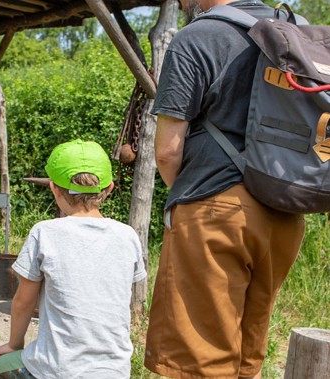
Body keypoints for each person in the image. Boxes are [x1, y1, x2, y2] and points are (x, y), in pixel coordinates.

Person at [144, 1, 306, 378]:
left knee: (200, 360)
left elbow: (167, 152)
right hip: (287, 210)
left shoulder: (198, 36)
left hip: (215, 209)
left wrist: (192, 196)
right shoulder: (297, 31)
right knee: (247, 356)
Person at [0, 139, 147, 379]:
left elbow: (23, 302)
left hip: (56, 369)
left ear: (54, 189)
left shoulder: (44, 233)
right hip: (115, 371)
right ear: (109, 188)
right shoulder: (128, 236)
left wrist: (14, 344)